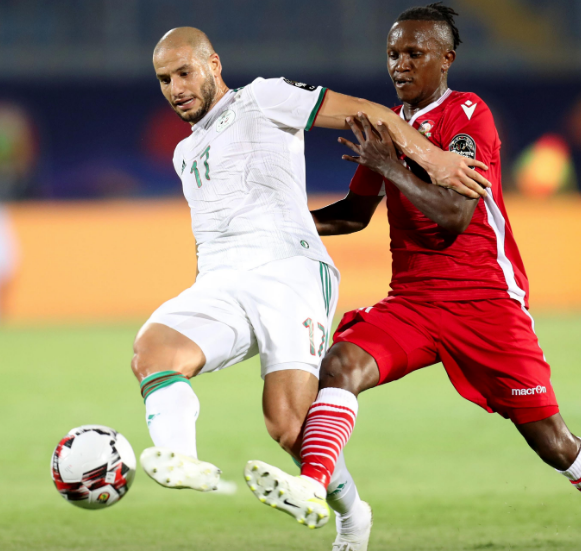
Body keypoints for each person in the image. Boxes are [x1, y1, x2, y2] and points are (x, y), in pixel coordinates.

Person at [244, 5, 581, 551]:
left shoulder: (467, 114)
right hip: (414, 302)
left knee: (553, 443)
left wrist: (390, 167)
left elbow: (454, 216)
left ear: (446, 59)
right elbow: (355, 214)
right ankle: (315, 491)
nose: (399, 65)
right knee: (341, 363)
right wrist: (279, 228)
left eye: (414, 53)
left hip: (486, 302)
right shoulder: (389, 129)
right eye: (393, 54)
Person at [132, 26, 488, 550]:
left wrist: (435, 160)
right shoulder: (185, 154)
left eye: (184, 72)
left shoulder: (263, 98)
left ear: (213, 63)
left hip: (289, 275)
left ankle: (353, 515)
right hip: (221, 279)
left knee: (287, 425)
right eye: (164, 79)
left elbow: (373, 114)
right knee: (153, 349)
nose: (175, 87)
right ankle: (182, 459)